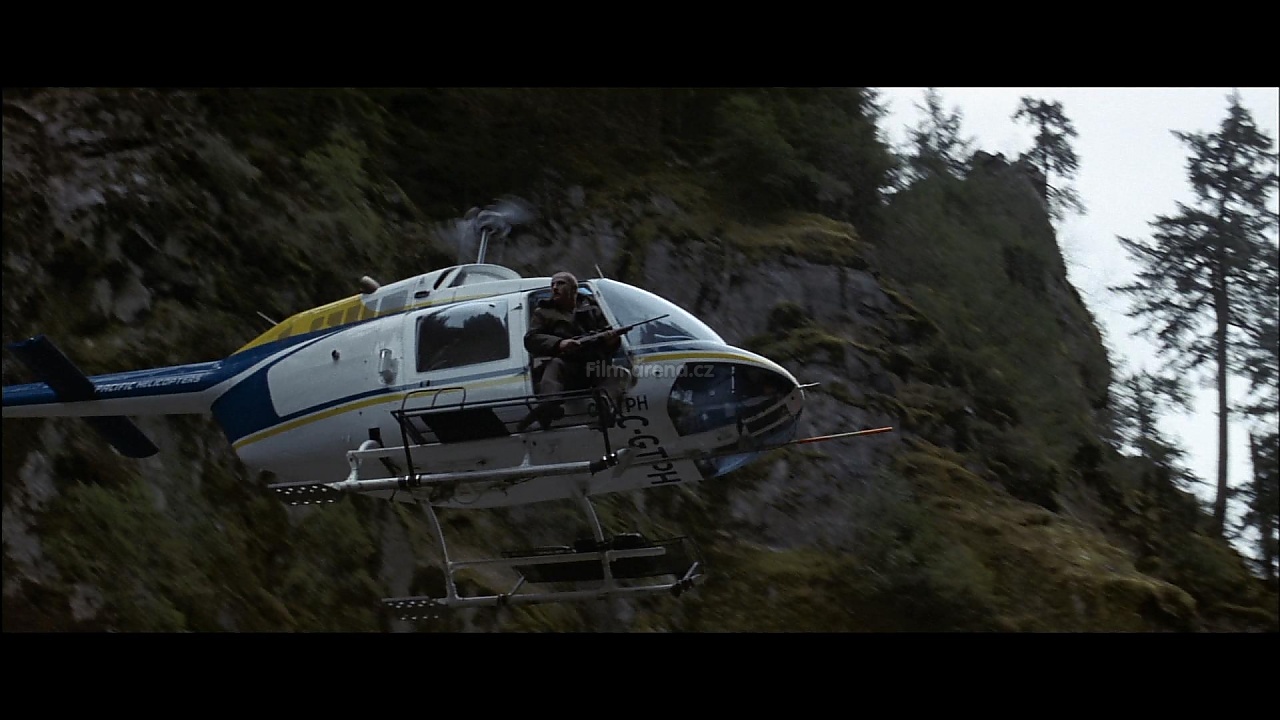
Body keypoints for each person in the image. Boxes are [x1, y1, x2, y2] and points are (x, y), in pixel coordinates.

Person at [518, 271, 622, 430]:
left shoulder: (592, 309)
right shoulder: (543, 312)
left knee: (618, 373)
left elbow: (608, 337)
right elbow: (532, 339)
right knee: (555, 365)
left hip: (592, 366)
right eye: (552, 284)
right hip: (567, 367)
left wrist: (612, 341)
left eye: (560, 283)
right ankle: (549, 405)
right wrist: (559, 344)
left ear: (574, 289)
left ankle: (605, 408)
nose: (555, 288)